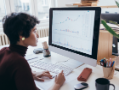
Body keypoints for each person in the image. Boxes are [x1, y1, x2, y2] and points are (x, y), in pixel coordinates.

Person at [0, 13, 65, 90]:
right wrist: (57, 84)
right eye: (34, 31)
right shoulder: (19, 62)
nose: (37, 35)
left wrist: (31, 75)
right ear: (22, 36)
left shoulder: (3, 51)